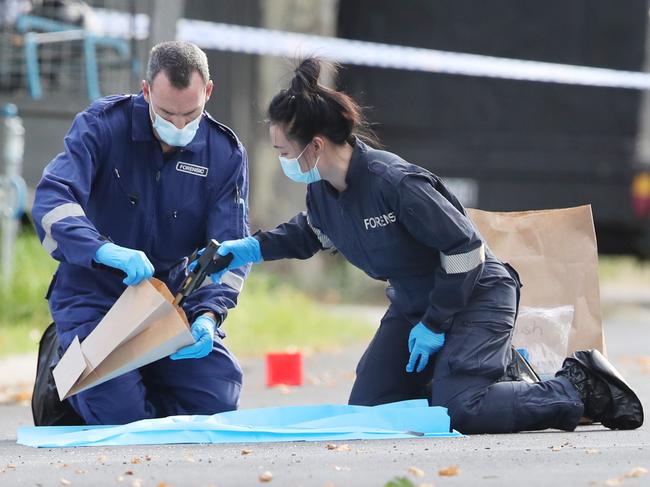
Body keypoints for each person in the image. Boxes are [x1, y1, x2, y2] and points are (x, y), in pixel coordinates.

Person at [204, 58, 643, 434]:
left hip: (475, 296)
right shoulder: (322, 190)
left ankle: (577, 386)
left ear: (316, 146)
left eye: (284, 150)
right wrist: (248, 249)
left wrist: (436, 323)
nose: (281, 159)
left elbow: (466, 250)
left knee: (461, 409)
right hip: (416, 305)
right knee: (371, 409)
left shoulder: (395, 183)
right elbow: (311, 233)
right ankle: (470, 374)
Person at [32, 41, 249, 425]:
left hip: (166, 299)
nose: (180, 126)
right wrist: (102, 251)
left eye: (191, 113)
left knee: (219, 391)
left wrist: (208, 316)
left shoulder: (224, 153)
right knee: (120, 417)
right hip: (93, 294)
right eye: (167, 113)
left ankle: (133, 378)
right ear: (146, 90)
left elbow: (227, 251)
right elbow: (53, 201)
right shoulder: (102, 127)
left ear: (209, 92)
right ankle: (70, 365)